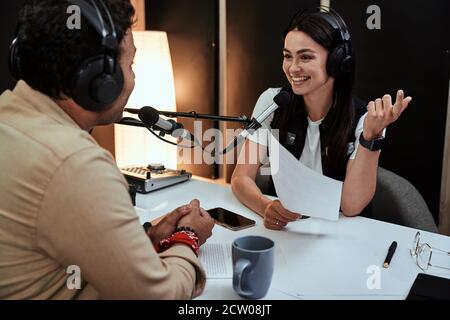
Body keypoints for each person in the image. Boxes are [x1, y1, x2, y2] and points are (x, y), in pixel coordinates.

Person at [0, 0, 214, 299]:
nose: (134, 78)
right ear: (101, 79)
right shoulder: (74, 162)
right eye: (130, 65)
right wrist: (187, 237)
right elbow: (159, 296)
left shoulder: (9, 117)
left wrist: (146, 238)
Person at [231, 9, 412, 230]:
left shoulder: (366, 118)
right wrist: (265, 207)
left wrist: (370, 137)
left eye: (305, 57)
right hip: (287, 231)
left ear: (337, 61)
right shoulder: (273, 103)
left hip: (340, 233)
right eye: (288, 56)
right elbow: (241, 178)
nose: (293, 68)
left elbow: (351, 206)